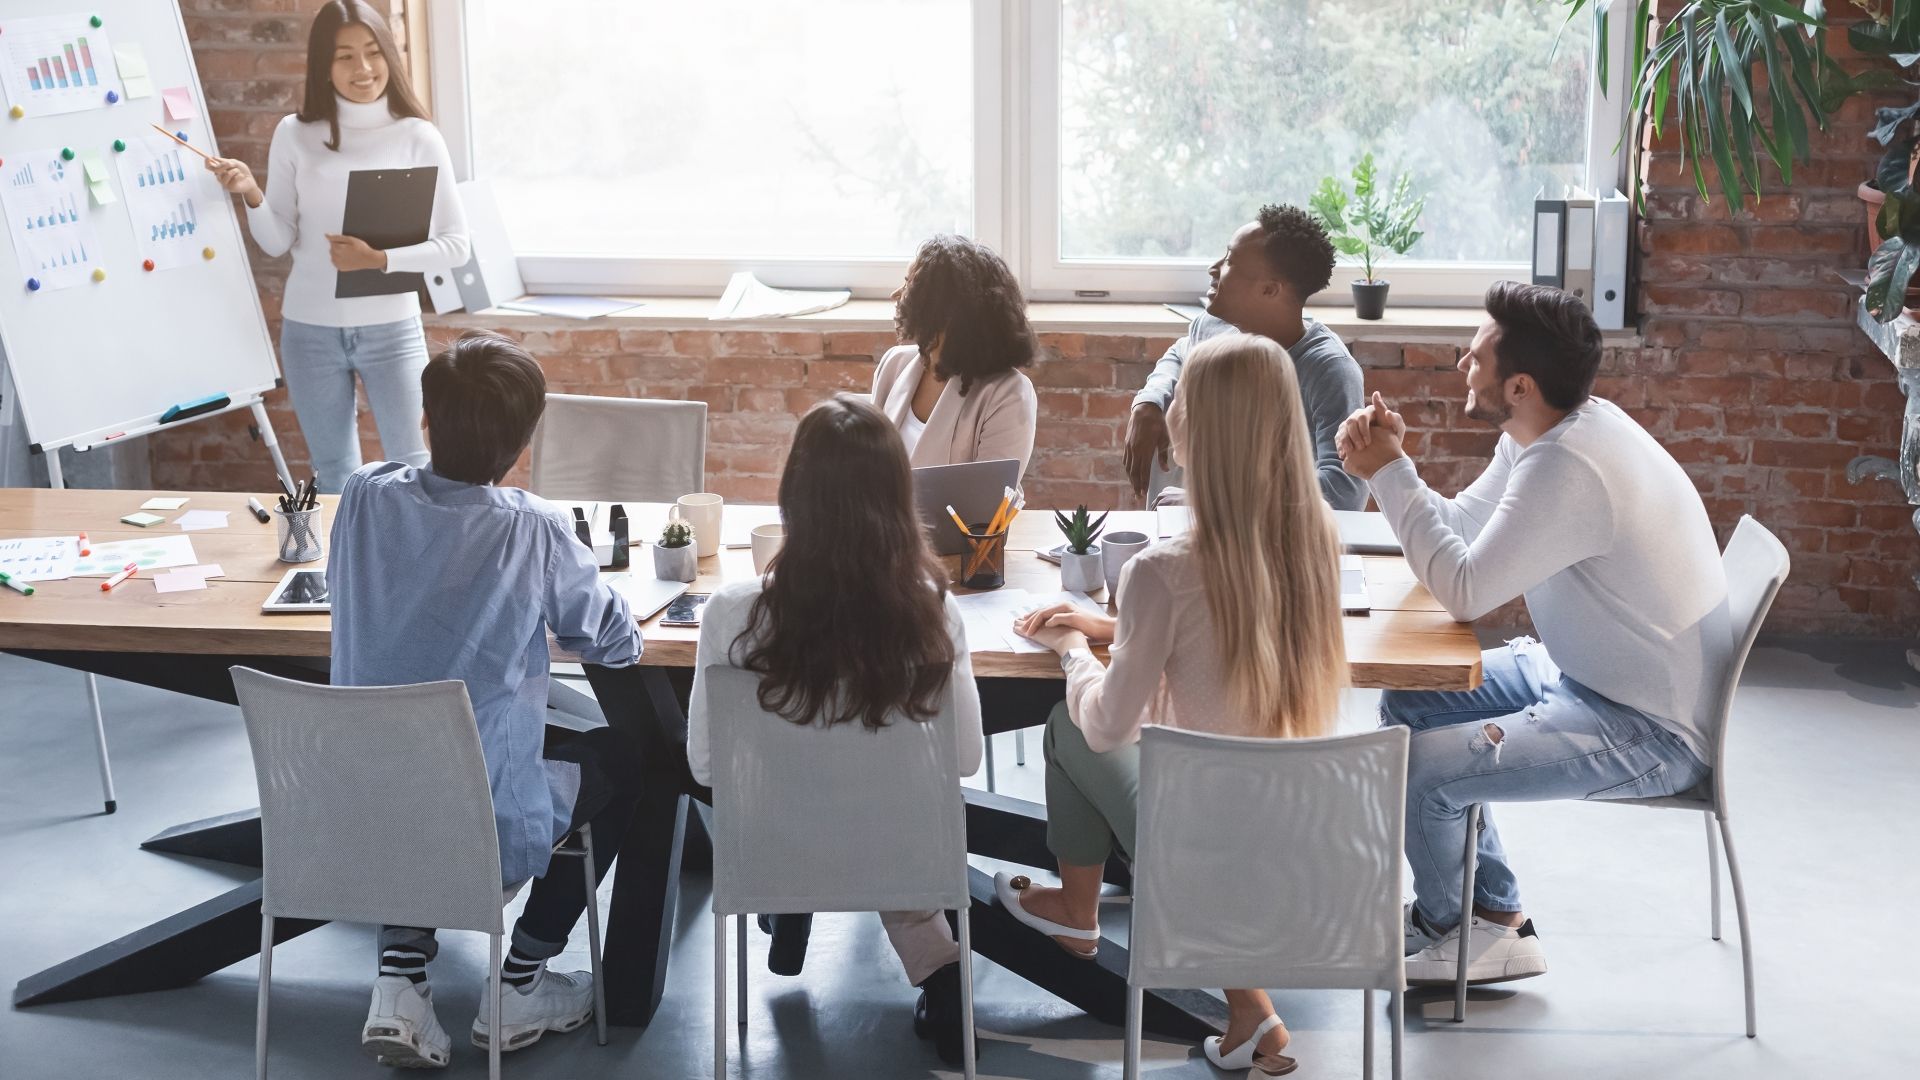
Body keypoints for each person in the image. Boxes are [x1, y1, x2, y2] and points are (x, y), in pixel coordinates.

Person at [1335, 281, 1728, 986]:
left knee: (1423, 771)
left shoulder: (1567, 465)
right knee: (1413, 700)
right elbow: (1458, 532)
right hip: (1586, 676)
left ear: (1517, 385)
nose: (1462, 361)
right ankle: (1493, 916)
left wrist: (1390, 474)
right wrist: (1398, 469)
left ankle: (1456, 934)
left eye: (1477, 353)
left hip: (1646, 727)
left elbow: (1463, 591)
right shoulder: (1546, 433)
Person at [1003, 332, 1348, 1076]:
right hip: (1302, 834)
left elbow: (1107, 723)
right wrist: (1121, 629)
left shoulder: (1162, 569)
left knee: (1070, 723)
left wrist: (1071, 649)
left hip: (1202, 839)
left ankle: (1077, 911)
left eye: (1182, 397)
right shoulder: (1316, 540)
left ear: (1203, 428)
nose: (1171, 412)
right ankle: (1244, 1008)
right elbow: (1226, 635)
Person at [328, 330, 643, 1068]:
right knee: (626, 759)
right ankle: (521, 980)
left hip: (359, 807)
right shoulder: (531, 527)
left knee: (408, 751)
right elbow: (614, 642)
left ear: (426, 421)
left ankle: (402, 980)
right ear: (524, 441)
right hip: (480, 818)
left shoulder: (363, 495)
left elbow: (409, 488)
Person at [684, 394, 985, 1067]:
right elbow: (963, 759)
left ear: (794, 495)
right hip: (899, 849)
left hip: (773, 847)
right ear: (897, 501)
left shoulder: (731, 614)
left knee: (814, 790)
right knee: (886, 801)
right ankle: (937, 964)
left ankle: (789, 910)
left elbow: (705, 768)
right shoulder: (933, 613)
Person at [208, 0, 469, 494]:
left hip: (392, 329)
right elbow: (277, 241)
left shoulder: (418, 136)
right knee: (333, 474)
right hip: (310, 333)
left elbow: (456, 245)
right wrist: (252, 195)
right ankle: (346, 572)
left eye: (372, 52)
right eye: (344, 56)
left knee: (413, 467)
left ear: (389, 55)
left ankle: (411, 571)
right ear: (323, 65)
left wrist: (380, 260)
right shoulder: (296, 133)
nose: (363, 69)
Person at [1123, 204, 1366, 511]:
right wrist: (1148, 402)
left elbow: (1344, 492)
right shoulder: (1213, 326)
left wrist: (1215, 503)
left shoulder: (1329, 370)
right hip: (1198, 532)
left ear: (1269, 290)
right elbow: (1181, 352)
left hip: (1275, 544)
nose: (1213, 268)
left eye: (1230, 262)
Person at [872, 234, 1040, 481]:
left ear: (943, 308)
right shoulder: (894, 365)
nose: (896, 294)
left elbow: (985, 500)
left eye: (909, 284)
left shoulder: (1008, 394)